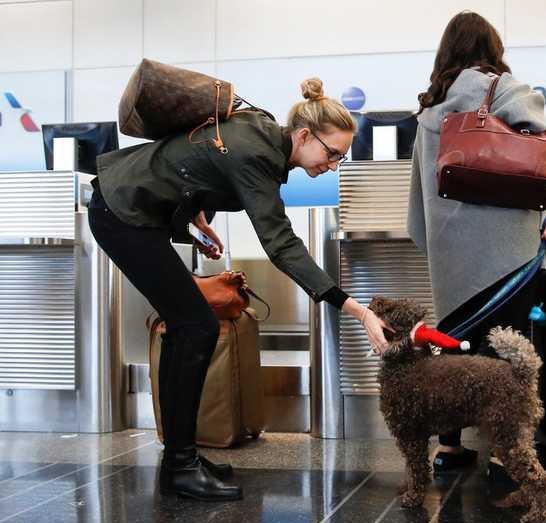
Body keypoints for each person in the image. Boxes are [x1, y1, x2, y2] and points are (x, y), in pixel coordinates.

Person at [89, 78, 392, 501]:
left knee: (189, 327)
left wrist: (195, 216)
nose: (335, 163)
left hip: (130, 208)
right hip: (121, 212)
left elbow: (196, 160)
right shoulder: (259, 152)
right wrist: (356, 309)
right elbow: (281, 244)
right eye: (333, 153)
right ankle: (180, 464)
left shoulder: (262, 132)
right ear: (304, 135)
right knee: (195, 327)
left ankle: (182, 456)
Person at [407, 11, 546, 473]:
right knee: (505, 345)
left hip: (450, 247)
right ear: (491, 47)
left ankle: (450, 448)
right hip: (507, 244)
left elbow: (419, 184)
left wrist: (431, 235)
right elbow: (543, 147)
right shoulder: (506, 90)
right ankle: (505, 449)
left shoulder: (430, 108)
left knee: (454, 345)